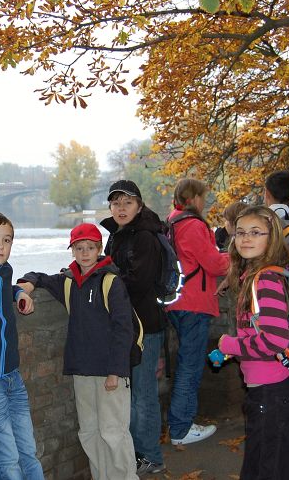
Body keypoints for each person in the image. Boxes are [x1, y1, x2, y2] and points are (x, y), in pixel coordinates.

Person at [18, 223, 138, 480]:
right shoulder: (68, 281)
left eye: (90, 248)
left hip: (110, 371)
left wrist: (116, 371)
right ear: (72, 250)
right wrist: (25, 286)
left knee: (113, 432)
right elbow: (39, 276)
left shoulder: (111, 282)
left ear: (99, 249)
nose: (85, 253)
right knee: (90, 432)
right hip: (82, 369)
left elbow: (123, 329)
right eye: (79, 248)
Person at [216, 205, 289, 479]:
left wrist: (230, 345)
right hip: (275, 389)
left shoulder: (265, 279)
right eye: (241, 232)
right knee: (278, 465)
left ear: (272, 237)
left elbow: (274, 341)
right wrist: (238, 349)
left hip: (273, 392)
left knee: (268, 468)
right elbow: (262, 331)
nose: (246, 238)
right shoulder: (260, 275)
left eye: (256, 232)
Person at [100, 179, 166, 475]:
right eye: (116, 203)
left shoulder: (145, 237)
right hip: (128, 325)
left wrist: (104, 282)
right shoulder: (118, 235)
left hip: (145, 326)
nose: (121, 208)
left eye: (127, 202)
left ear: (139, 206)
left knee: (143, 393)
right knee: (132, 393)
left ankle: (151, 455)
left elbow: (138, 282)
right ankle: (137, 452)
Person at [0, 212, 44, 480]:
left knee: (29, 451)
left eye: (7, 240)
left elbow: (4, 289)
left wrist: (19, 292)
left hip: (13, 375)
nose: (1, 246)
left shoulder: (5, 270)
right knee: (8, 458)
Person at [166, 178, 229, 445]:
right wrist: (236, 256)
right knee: (190, 366)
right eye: (203, 197)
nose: (205, 202)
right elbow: (214, 264)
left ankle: (181, 424)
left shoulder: (172, 222)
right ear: (193, 199)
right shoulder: (192, 225)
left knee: (186, 363)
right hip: (194, 302)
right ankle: (181, 428)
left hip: (177, 300)